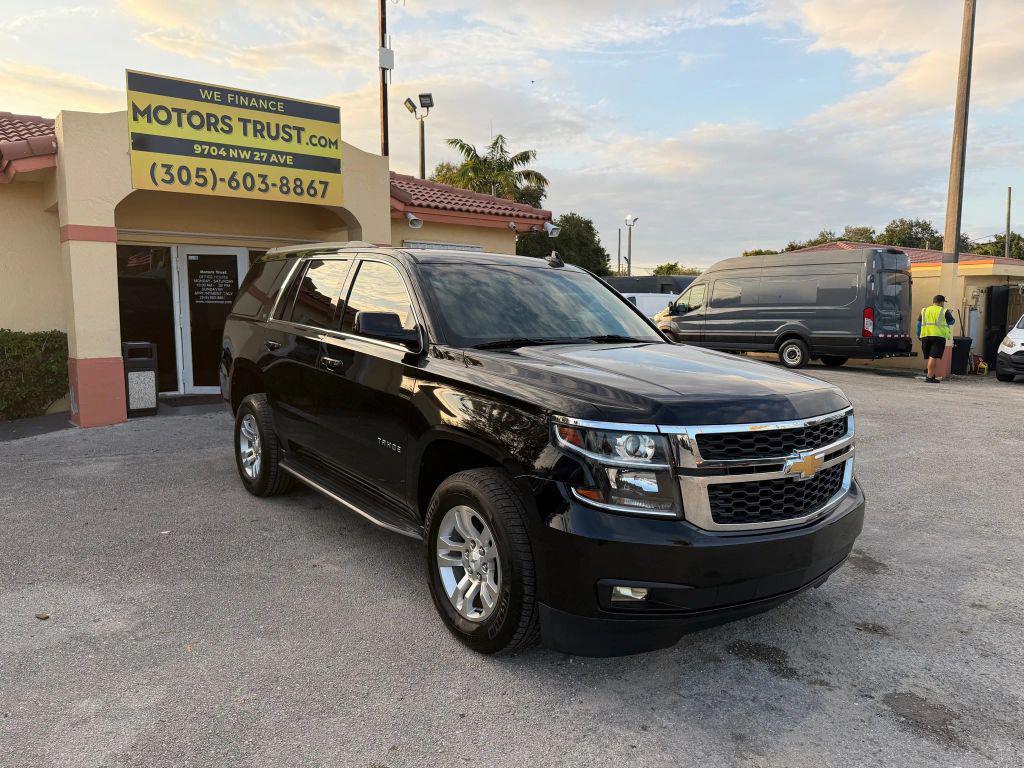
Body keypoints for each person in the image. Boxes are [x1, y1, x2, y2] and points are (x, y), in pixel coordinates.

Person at [917, 294, 955, 383]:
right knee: (933, 357)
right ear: (941, 302)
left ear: (933, 302)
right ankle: (929, 377)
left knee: (930, 356)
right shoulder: (944, 311)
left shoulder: (925, 310)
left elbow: (918, 324)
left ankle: (930, 374)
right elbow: (952, 322)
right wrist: (948, 314)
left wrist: (918, 335)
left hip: (925, 336)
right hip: (938, 337)